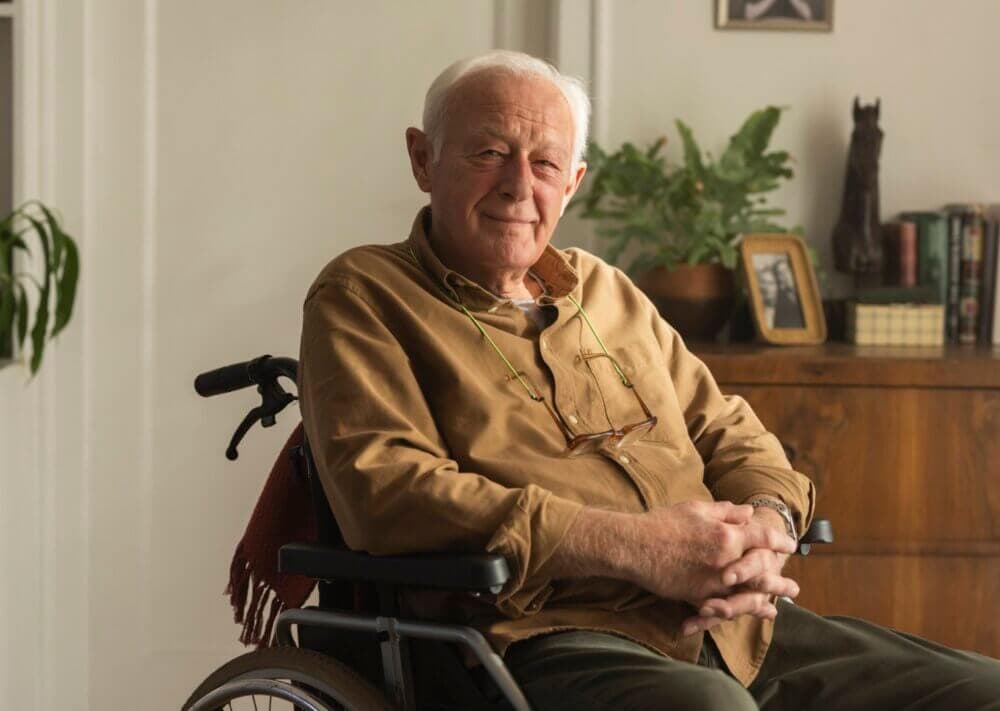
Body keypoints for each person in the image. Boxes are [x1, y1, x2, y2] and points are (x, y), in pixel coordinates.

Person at [297, 50, 1000, 710]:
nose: (518, 184)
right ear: (423, 158)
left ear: (572, 183)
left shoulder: (607, 291)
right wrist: (637, 548)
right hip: (545, 633)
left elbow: (727, 429)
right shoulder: (364, 294)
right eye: (488, 153)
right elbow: (389, 489)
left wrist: (765, 526)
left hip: (735, 628)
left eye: (546, 162)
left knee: (979, 688)